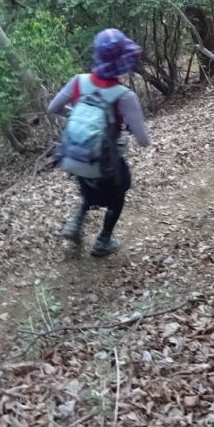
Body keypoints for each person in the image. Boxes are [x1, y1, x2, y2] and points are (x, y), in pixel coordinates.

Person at [47, 29, 150, 257]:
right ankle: (103, 240)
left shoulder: (78, 82)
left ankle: (77, 221)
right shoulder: (124, 96)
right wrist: (126, 126)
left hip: (75, 156)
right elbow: (144, 141)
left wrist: (77, 116)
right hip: (104, 163)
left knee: (89, 186)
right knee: (119, 191)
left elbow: (52, 108)